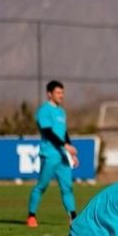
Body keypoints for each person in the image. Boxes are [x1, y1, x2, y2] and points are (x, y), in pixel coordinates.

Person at [26, 80, 78, 227]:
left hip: (62, 155)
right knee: (41, 186)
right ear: (49, 94)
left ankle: (73, 217)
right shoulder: (44, 110)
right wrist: (65, 146)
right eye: (58, 92)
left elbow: (64, 133)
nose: (61, 95)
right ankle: (31, 216)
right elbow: (48, 132)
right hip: (49, 154)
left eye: (62, 92)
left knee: (67, 187)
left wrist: (71, 152)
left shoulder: (61, 112)